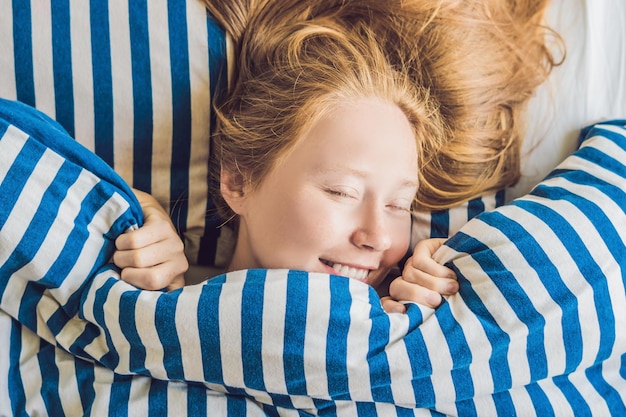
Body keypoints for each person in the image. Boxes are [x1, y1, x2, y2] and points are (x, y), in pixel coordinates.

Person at [113, 0, 560, 311]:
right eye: (342, 192)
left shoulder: (408, 321)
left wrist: (440, 300)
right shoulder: (158, 300)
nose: (379, 237)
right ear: (239, 182)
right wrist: (132, 217)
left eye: (398, 206)